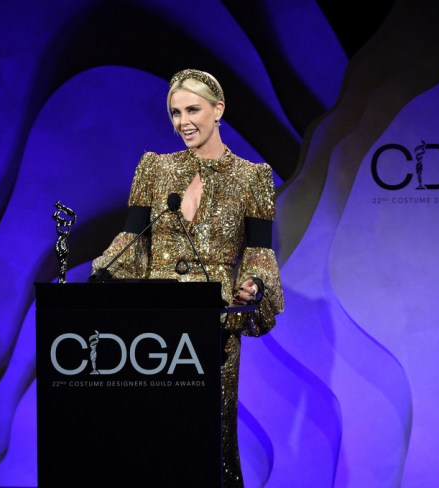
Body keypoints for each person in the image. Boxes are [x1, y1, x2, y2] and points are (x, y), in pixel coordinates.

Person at [90, 68, 285, 487]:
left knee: (208, 438)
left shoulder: (253, 177)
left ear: (219, 110)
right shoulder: (154, 169)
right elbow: (131, 239)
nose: (183, 122)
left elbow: (259, 253)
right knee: (151, 434)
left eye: (192, 110)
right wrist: (105, 274)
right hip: (154, 323)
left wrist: (254, 285)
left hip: (214, 324)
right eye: (175, 113)